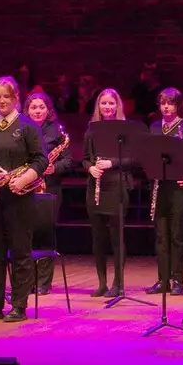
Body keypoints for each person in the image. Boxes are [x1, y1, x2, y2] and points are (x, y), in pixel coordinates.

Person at [0, 77, 45, 323]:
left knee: (20, 252)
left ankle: (18, 306)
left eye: (7, 96)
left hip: (19, 197)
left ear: (16, 99)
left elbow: (40, 160)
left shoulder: (27, 127)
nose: (2, 100)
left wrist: (24, 179)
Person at [83, 88, 132, 298]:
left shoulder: (125, 131)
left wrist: (112, 162)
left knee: (116, 237)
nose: (108, 107)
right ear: (98, 106)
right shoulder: (91, 130)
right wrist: (90, 168)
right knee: (98, 237)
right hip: (96, 186)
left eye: (111, 103)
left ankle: (118, 283)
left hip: (116, 186)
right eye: (104, 103)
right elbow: (85, 158)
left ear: (117, 106)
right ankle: (102, 283)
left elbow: (134, 160)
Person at [24, 91, 70, 294]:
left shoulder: (57, 132)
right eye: (33, 107)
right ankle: (28, 280)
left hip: (50, 187)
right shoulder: (22, 129)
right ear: (27, 110)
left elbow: (68, 160)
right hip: (26, 186)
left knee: (46, 233)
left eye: (41, 107)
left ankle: (44, 282)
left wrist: (55, 168)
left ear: (48, 110)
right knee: (27, 233)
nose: (37, 111)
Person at [147, 88, 183, 297]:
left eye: (170, 103)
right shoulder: (154, 127)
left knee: (177, 235)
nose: (166, 107)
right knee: (161, 235)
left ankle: (178, 280)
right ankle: (163, 279)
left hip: (178, 187)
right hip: (159, 185)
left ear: (177, 105)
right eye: (163, 103)